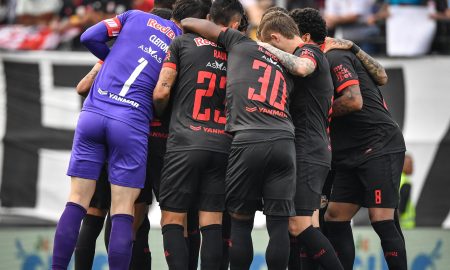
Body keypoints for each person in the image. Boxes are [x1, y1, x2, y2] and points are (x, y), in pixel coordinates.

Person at [51, 0, 211, 268]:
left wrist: (108, 56)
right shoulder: (181, 43)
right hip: (131, 122)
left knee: (76, 201)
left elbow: (88, 36)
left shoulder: (134, 16)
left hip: (94, 113)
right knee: (123, 210)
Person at [181, 11, 317, 270]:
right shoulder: (286, 64)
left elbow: (190, 22)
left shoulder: (240, 42)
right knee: (278, 226)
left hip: (248, 138)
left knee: (241, 222)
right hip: (284, 140)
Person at [153, 1, 244, 269]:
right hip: (223, 145)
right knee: (212, 222)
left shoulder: (182, 44)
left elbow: (161, 92)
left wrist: (161, 115)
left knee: (172, 219)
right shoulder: (237, 51)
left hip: (185, 142)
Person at [257, 9, 343, 270]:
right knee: (305, 226)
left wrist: (258, 46)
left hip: (309, 150)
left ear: (274, 37)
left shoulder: (308, 51)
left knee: (299, 225)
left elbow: (302, 68)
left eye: (269, 45)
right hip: (308, 148)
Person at [322, 28, 407, 270]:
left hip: (377, 146)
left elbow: (354, 99)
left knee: (381, 219)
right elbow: (380, 75)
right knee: (335, 217)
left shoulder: (335, 56)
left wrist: (353, 47)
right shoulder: (328, 56)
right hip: (351, 153)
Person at [399, 153, 415, 229]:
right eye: (410, 164)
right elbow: (402, 206)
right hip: (405, 225)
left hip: (396, 224)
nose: (413, 167)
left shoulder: (397, 178)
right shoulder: (406, 182)